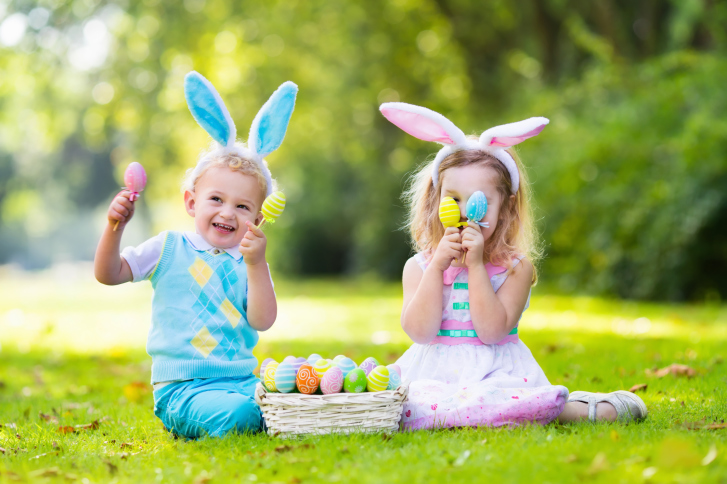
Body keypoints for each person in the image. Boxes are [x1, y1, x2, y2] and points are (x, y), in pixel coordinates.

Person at [379, 102, 647, 430]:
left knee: (497, 400)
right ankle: (470, 414)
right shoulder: (419, 266)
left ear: (504, 209)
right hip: (432, 373)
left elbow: (492, 331)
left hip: (495, 373)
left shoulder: (515, 269)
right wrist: (436, 269)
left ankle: (585, 409)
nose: (465, 213)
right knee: (402, 403)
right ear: (436, 201)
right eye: (453, 199)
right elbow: (420, 332)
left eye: (478, 202)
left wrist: (476, 267)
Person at [94, 72, 297, 438]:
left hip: (241, 381)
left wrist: (256, 265)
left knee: (292, 396)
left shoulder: (249, 260)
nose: (227, 213)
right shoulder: (169, 247)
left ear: (258, 217)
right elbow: (109, 273)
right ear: (191, 201)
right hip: (183, 389)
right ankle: (246, 417)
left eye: (242, 206)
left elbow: (263, 320)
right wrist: (115, 228)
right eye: (216, 199)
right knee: (240, 416)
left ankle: (265, 413)